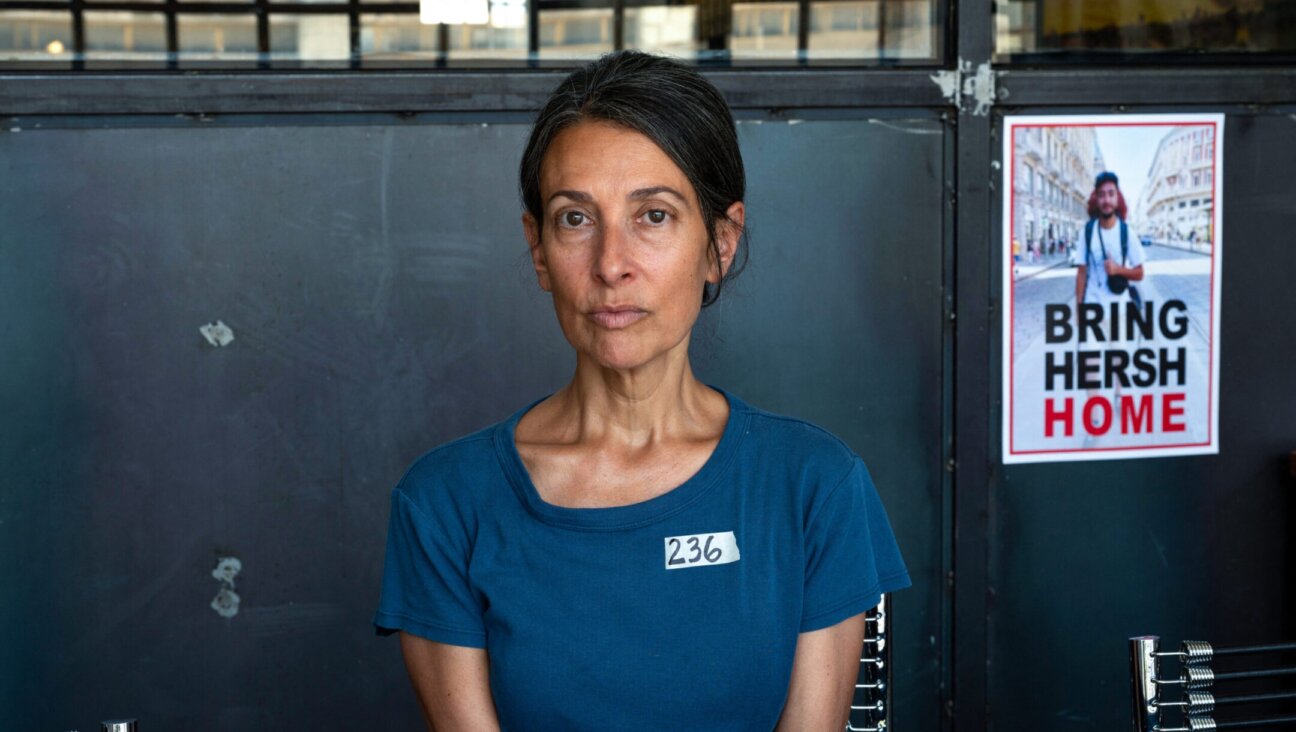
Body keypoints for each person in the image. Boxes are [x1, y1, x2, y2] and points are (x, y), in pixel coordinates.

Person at [372, 50, 911, 732]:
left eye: (653, 216)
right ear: (539, 250)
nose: (611, 264)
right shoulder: (447, 503)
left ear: (721, 242)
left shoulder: (812, 488)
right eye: (575, 219)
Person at [1073, 171, 1147, 438]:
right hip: (1093, 306)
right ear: (1096, 198)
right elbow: (1081, 272)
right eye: (1102, 194)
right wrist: (1079, 307)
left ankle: (1118, 394)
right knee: (1089, 360)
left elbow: (1139, 273)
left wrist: (1118, 270)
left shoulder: (1128, 232)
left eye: (1111, 194)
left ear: (1117, 197)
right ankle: (1094, 411)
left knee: (1119, 357)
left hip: (1119, 309)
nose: (1106, 200)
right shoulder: (1088, 232)